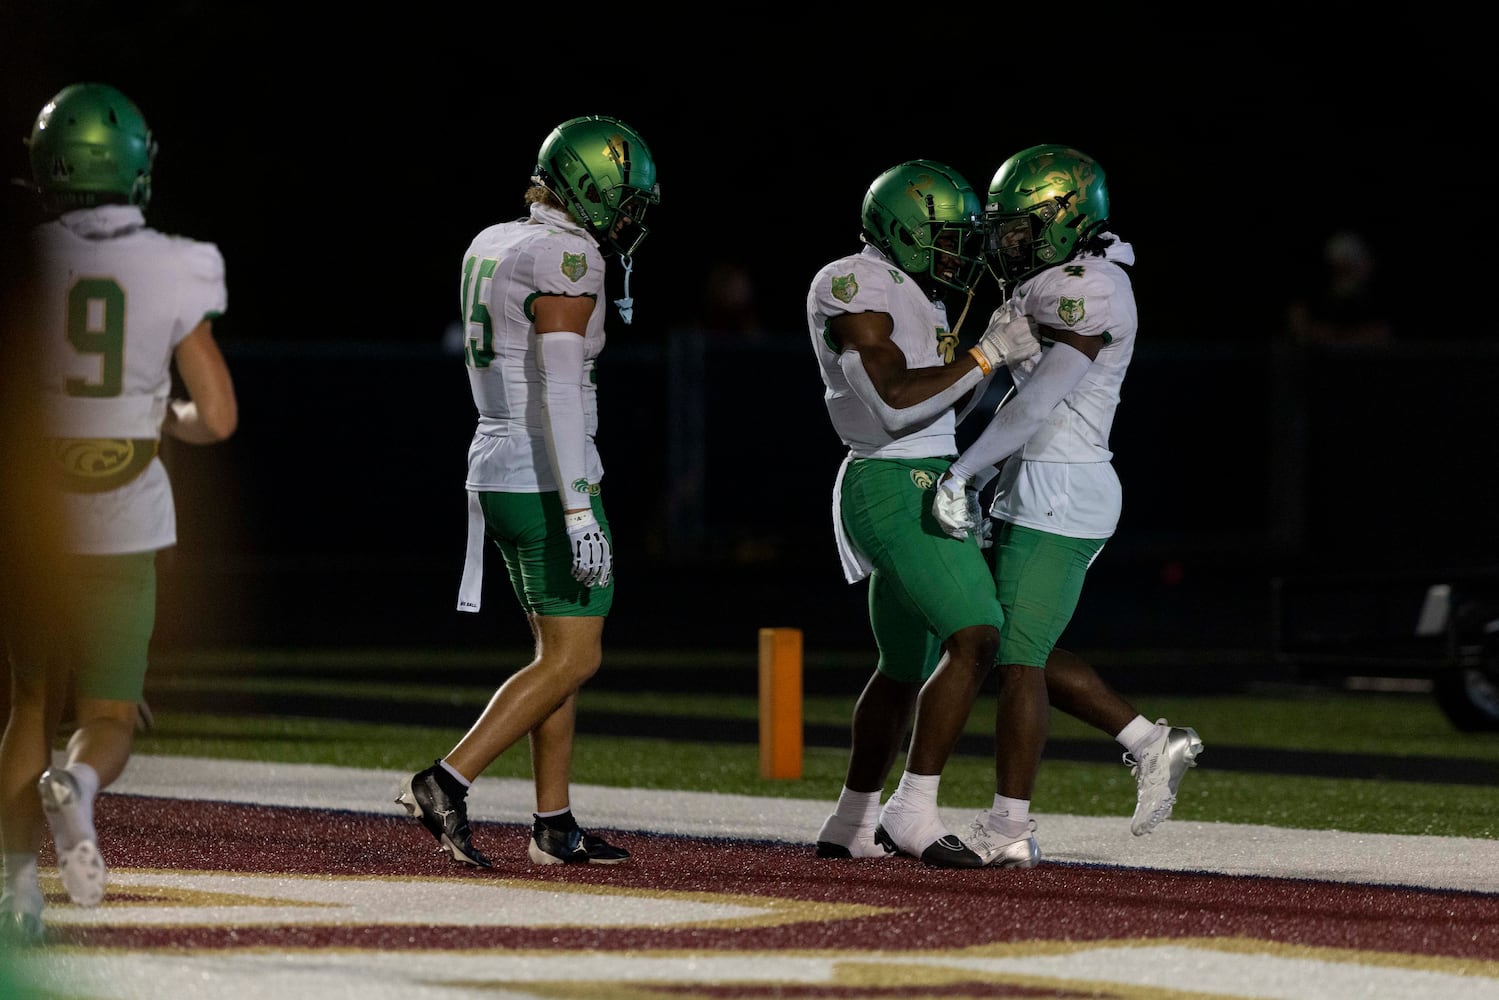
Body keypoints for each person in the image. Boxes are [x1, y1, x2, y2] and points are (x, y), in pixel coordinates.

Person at [0, 82, 238, 943]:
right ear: (135, 166)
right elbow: (216, 417)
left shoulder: (27, 257)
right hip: (126, 514)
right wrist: (156, 417)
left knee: (28, 704)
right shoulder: (176, 261)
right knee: (104, 716)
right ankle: (83, 789)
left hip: (34, 515)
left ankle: (15, 884)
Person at [395, 115, 660, 869]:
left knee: (555, 654)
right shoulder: (568, 254)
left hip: (498, 463)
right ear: (586, 187)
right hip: (547, 472)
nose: (628, 215)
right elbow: (561, 388)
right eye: (622, 198)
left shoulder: (496, 238)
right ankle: (445, 779)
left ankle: (553, 824)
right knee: (575, 659)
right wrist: (579, 507)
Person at [931, 144, 1202, 862]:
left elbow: (1041, 400)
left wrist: (961, 472)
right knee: (1002, 640)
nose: (1007, 242)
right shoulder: (1053, 280)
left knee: (1015, 659)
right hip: (1031, 481)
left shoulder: (1092, 285)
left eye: (1021, 227)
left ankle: (1009, 827)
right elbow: (1011, 399)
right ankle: (1150, 741)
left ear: (1063, 217)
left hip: (1063, 485)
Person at [807, 159, 1043, 868]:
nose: (959, 250)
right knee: (975, 638)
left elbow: (943, 403)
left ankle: (851, 821)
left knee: (902, 665)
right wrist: (984, 354)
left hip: (924, 473)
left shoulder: (918, 294)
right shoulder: (852, 281)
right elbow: (893, 401)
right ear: (902, 230)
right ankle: (912, 810)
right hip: (889, 479)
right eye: (944, 235)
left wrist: (987, 366)